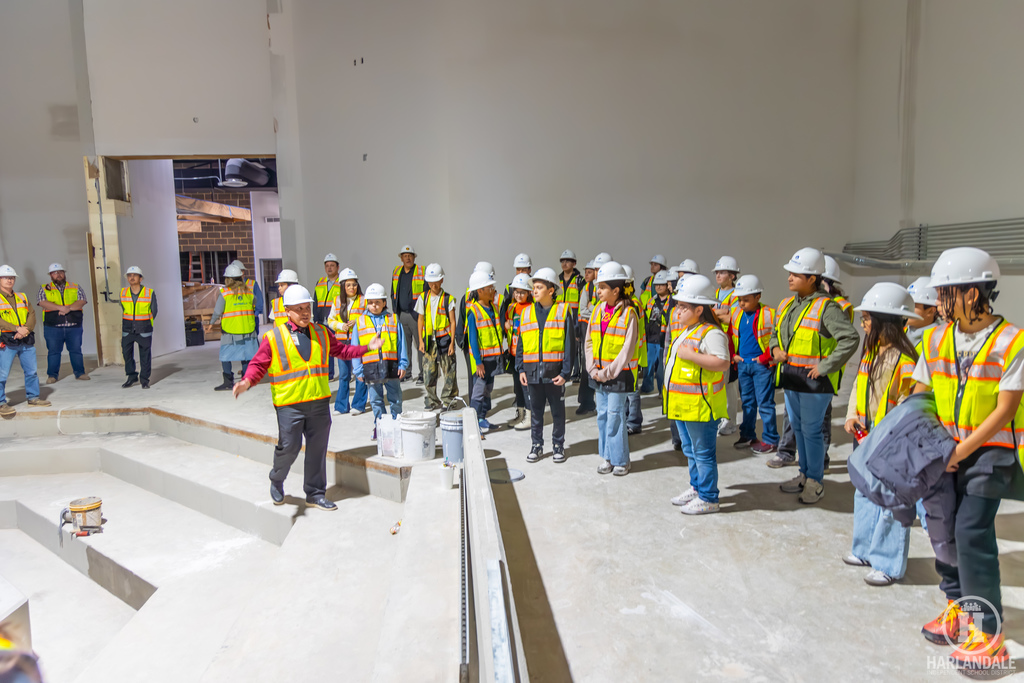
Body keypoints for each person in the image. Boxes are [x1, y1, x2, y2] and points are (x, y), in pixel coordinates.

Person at [913, 247, 1024, 668]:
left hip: (991, 451)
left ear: (975, 292)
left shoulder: (1012, 340)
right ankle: (957, 607)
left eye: (946, 293)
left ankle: (988, 631)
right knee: (944, 529)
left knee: (971, 531)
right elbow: (920, 395)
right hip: (945, 451)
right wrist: (933, 447)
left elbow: (1006, 410)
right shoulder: (935, 337)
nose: (938, 301)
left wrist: (958, 450)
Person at [232, 285, 383, 511]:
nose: (305, 313)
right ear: (287, 310)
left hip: (319, 403)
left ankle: (315, 493)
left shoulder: (322, 333)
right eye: (299, 309)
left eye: (307, 308)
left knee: (317, 450)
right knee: (289, 447)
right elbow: (258, 364)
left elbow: (342, 351)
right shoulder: (273, 337)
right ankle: (277, 478)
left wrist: (366, 348)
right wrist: (247, 381)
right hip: (289, 405)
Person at [842, 283, 921, 586]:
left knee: (891, 499)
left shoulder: (906, 361)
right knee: (864, 490)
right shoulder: (872, 351)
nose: (862, 324)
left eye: (867, 318)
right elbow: (858, 390)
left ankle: (888, 563)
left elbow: (909, 407)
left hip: (892, 439)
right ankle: (864, 550)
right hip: (867, 434)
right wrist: (851, 415)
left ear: (886, 321)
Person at [770, 248, 858, 504]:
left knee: (811, 432)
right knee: (798, 429)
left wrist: (826, 366)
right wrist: (776, 348)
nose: (789, 277)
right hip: (792, 377)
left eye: (796, 274)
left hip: (814, 382)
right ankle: (804, 474)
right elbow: (777, 331)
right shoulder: (788, 304)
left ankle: (815, 481)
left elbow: (850, 338)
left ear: (812, 278)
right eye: (790, 273)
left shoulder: (827, 307)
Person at [665, 275, 731, 515]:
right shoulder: (688, 329)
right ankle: (697, 487)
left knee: (703, 453)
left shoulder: (711, 333)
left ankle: (709, 497)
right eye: (678, 305)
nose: (678, 311)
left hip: (701, 406)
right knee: (690, 450)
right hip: (684, 404)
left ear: (699, 309)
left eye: (683, 306)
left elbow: (722, 363)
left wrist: (692, 356)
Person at [586, 261, 640, 476]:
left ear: (616, 290)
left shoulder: (630, 314)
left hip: (618, 376)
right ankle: (607, 457)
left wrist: (606, 372)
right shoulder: (597, 310)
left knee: (616, 416)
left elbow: (626, 351)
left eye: (602, 287)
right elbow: (589, 341)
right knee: (602, 416)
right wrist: (592, 369)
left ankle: (621, 460)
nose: (597, 291)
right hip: (597, 374)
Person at [517, 267, 574, 462]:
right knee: (536, 412)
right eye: (534, 287)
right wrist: (521, 368)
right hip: (532, 373)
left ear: (551, 290)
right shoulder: (526, 313)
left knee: (558, 412)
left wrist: (566, 372)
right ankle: (537, 445)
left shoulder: (563, 311)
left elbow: (569, 345)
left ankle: (558, 445)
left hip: (555, 374)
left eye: (539, 287)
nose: (534, 291)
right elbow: (521, 344)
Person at [729, 274, 778, 453]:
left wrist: (765, 358)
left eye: (746, 300)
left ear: (758, 297)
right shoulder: (736, 314)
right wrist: (733, 355)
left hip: (761, 366)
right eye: (739, 300)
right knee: (747, 402)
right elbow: (732, 336)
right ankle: (748, 435)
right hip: (743, 364)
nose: (741, 303)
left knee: (765, 403)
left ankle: (771, 439)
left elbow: (777, 339)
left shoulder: (769, 314)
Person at [353, 283, 409, 440]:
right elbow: (355, 347)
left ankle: (397, 425)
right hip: (370, 368)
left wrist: (403, 364)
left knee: (396, 399)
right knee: (376, 401)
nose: (374, 305)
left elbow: (401, 343)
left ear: (384, 302)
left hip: (392, 366)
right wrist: (358, 370)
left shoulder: (393, 319)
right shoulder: (360, 322)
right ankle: (380, 426)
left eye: (377, 302)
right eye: (370, 302)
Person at [0, 265, 50, 416]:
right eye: (6, 277)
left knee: (32, 371)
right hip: (6, 340)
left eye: (12, 277)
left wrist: (25, 330)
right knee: (2, 374)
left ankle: (33, 397)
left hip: (25, 339)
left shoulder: (22, 296)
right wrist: (16, 328)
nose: (9, 280)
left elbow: (32, 314)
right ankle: (1, 403)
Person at [208, 263, 259, 391]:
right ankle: (246, 382)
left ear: (228, 279)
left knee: (225, 357)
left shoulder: (225, 293)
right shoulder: (249, 292)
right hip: (248, 330)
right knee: (247, 356)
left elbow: (218, 311)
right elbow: (254, 304)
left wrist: (211, 324)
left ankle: (227, 382)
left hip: (230, 331)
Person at [37, 263, 89, 383]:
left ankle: (80, 373)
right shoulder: (44, 288)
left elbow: (82, 301)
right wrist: (60, 307)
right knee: (54, 351)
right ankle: (52, 375)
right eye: (55, 273)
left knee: (76, 350)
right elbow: (42, 302)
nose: (58, 274)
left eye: (60, 272)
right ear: (51, 275)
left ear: (64, 273)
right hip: (53, 327)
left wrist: (68, 308)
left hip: (74, 326)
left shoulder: (75, 286)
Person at [416, 263, 458, 411]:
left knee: (449, 372)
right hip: (429, 341)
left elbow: (453, 322)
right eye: (431, 281)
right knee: (428, 373)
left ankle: (449, 400)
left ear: (441, 280)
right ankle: (432, 401)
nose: (433, 284)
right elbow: (420, 320)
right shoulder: (423, 298)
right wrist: (420, 341)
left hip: (445, 340)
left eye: (436, 280)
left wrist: (452, 343)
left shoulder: (448, 299)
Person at [327, 268, 368, 415]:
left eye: (354, 284)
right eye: (349, 285)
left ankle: (358, 405)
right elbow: (330, 320)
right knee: (344, 376)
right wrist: (340, 326)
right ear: (343, 286)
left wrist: (356, 323)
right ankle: (341, 406)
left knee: (360, 373)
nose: (352, 288)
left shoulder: (364, 300)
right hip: (342, 343)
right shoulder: (337, 301)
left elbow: (369, 319)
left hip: (358, 342)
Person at [467, 270, 503, 433]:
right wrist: (478, 362)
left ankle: (481, 418)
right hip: (482, 361)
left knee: (488, 390)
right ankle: (474, 424)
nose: (493, 290)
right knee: (479, 391)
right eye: (489, 287)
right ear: (480, 290)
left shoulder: (493, 308)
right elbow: (473, 340)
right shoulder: (473, 311)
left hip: (492, 359)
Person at [457, 261, 495, 400]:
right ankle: (476, 410)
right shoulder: (467, 298)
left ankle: (482, 409)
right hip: (473, 346)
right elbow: (462, 321)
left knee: (486, 380)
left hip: (489, 348)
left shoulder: (493, 297)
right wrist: (462, 342)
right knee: (476, 378)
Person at [712, 256, 741, 437]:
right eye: (717, 272)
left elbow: (734, 318)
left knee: (730, 385)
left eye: (722, 272)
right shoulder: (715, 293)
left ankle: (731, 421)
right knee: (720, 383)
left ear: (732, 275)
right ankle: (723, 417)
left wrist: (718, 314)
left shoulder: (736, 295)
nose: (718, 275)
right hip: (717, 341)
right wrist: (721, 313)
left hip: (731, 343)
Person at [391, 245, 425, 384]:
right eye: (405, 256)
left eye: (410, 255)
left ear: (414, 257)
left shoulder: (421, 271)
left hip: (416, 315)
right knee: (405, 345)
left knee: (420, 345)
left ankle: (423, 373)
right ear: (401, 258)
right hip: (401, 314)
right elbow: (393, 291)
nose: (408, 258)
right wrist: (395, 310)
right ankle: (407, 372)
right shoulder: (396, 271)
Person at [119, 266, 158, 389]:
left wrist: (146, 323)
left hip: (144, 328)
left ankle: (144, 379)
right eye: (129, 275)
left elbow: (154, 311)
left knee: (145, 355)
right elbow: (123, 308)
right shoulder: (123, 292)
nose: (131, 277)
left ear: (140, 278)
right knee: (126, 354)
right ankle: (131, 376)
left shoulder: (149, 292)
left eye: (134, 275)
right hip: (128, 329)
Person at [504, 273, 533, 429]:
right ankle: (520, 414)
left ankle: (529, 417)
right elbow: (507, 324)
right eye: (516, 291)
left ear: (529, 293)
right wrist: (506, 326)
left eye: (522, 292)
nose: (518, 295)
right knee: (518, 386)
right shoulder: (511, 307)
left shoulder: (532, 308)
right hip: (514, 353)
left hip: (527, 354)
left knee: (526, 386)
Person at [622, 264, 647, 435]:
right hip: (625, 354)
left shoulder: (633, 303)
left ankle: (634, 422)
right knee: (624, 389)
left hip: (632, 354)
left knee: (632, 390)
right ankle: (626, 418)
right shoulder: (627, 302)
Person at [641, 270, 673, 395]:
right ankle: (647, 387)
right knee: (648, 366)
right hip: (650, 338)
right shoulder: (651, 301)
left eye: (661, 284)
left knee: (661, 369)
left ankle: (662, 391)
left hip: (663, 339)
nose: (658, 287)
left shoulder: (671, 301)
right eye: (656, 284)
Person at [574, 259, 599, 415]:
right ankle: (586, 402)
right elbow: (583, 310)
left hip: (605, 333)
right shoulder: (588, 287)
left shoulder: (611, 286)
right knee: (586, 367)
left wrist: (593, 307)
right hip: (588, 331)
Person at [315, 253, 341, 379]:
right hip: (322, 321)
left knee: (342, 347)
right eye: (327, 266)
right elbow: (315, 302)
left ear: (337, 267)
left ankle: (349, 373)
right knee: (325, 349)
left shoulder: (343, 282)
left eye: (332, 265)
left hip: (337, 321)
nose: (329, 268)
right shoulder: (320, 282)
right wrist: (315, 319)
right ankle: (329, 374)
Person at [906, 276, 941, 351]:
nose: (907, 309)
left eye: (913, 305)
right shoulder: (900, 333)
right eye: (907, 304)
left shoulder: (939, 339)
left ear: (931, 311)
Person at [499, 254, 532, 326]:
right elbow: (505, 309)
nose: (520, 272)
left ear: (530, 270)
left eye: (524, 269)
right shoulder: (510, 287)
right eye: (518, 269)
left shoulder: (536, 286)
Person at [556, 250, 585, 318]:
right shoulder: (557, 280)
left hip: (574, 318)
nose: (564, 264)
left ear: (574, 264)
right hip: (559, 316)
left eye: (567, 261)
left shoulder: (580, 280)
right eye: (562, 261)